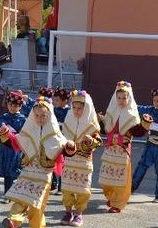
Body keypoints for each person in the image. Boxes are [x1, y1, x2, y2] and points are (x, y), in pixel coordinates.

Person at [2, 96, 75, 228]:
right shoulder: (28, 130)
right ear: (32, 115)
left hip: (43, 175)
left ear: (49, 115)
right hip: (27, 172)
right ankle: (13, 220)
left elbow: (65, 150)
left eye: (43, 115)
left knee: (36, 205)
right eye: (37, 115)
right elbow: (15, 142)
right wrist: (5, 134)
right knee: (21, 198)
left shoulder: (55, 135)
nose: (40, 118)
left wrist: (70, 146)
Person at [99, 81, 153, 213]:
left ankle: (118, 203)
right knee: (107, 179)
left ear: (129, 98)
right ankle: (112, 197)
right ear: (115, 98)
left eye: (124, 98)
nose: (121, 100)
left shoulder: (132, 114)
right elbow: (104, 130)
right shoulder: (111, 112)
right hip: (110, 150)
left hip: (123, 151)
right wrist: (100, 120)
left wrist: (145, 124)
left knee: (120, 178)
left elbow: (138, 132)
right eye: (119, 98)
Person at [59, 90, 102, 227]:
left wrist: (90, 141)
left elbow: (98, 142)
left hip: (84, 162)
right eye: (74, 108)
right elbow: (61, 138)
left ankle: (78, 213)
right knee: (67, 189)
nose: (77, 111)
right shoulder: (68, 121)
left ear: (87, 108)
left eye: (80, 108)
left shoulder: (92, 125)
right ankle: (67, 212)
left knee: (83, 189)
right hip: (69, 161)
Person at [0, 90, 27, 196]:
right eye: (10, 104)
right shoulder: (3, 118)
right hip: (4, 149)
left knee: (15, 171)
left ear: (20, 107)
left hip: (16, 149)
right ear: (7, 104)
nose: (12, 107)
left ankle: (17, 191)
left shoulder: (22, 120)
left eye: (16, 105)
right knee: (7, 173)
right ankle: (7, 193)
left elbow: (26, 135)